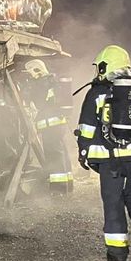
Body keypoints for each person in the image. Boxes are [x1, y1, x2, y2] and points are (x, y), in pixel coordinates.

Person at [76, 45, 131, 261]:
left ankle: (117, 252)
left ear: (104, 67)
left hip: (109, 161)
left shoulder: (96, 94)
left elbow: (86, 127)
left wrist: (84, 151)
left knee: (113, 202)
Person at [22, 59, 74, 193]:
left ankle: (58, 189)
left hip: (50, 125)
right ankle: (68, 185)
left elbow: (39, 102)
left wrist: (27, 90)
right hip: (58, 124)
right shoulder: (51, 81)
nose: (29, 76)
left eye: (30, 72)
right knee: (61, 152)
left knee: (53, 155)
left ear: (37, 70)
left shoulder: (42, 83)